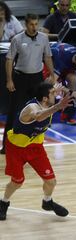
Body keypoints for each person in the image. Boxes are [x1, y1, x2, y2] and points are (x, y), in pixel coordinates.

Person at [0, 82, 72, 221]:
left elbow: (54, 90)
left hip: (36, 147)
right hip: (16, 148)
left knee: (51, 181)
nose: (55, 95)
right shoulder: (32, 108)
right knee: (17, 181)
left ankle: (47, 202)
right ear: (45, 98)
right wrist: (58, 106)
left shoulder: (47, 103)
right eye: (52, 93)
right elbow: (38, 116)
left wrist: (63, 91)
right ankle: (3, 202)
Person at [1, 13, 55, 155]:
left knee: (39, 112)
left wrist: (52, 73)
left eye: (36, 24)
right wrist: (9, 79)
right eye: (31, 24)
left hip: (37, 79)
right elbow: (9, 60)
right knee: (14, 112)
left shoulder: (43, 38)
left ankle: (34, 145)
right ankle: (6, 146)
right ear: (26, 24)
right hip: (20, 78)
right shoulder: (17, 39)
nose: (34, 27)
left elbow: (47, 57)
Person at [44, 42, 76, 126]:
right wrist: (70, 92)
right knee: (49, 86)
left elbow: (75, 71)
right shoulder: (62, 60)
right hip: (48, 62)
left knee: (73, 79)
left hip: (62, 64)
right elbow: (53, 81)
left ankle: (67, 115)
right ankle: (45, 117)